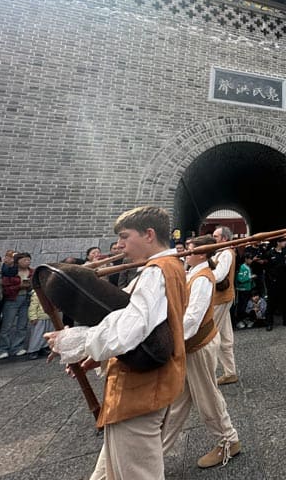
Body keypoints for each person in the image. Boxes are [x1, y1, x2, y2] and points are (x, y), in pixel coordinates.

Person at [45, 206, 188, 480]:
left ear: (148, 234)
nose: (119, 245)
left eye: (124, 236)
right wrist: (95, 354)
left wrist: (74, 340)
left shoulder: (157, 271)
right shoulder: (168, 267)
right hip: (147, 383)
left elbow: (131, 328)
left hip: (141, 390)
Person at [162, 234, 241, 469]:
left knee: (207, 396)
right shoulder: (192, 273)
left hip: (198, 345)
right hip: (190, 345)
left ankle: (229, 440)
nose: (186, 252)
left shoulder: (203, 278)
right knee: (178, 402)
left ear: (203, 254)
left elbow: (192, 319)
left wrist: (167, 342)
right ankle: (157, 451)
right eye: (186, 248)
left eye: (191, 249)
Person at [211, 226, 239, 385]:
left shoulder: (226, 253)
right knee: (225, 337)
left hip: (221, 298)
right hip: (220, 298)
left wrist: (201, 273)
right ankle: (230, 372)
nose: (213, 238)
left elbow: (220, 275)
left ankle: (208, 372)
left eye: (215, 236)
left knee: (211, 334)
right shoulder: (221, 253)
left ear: (224, 239)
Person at [0, 251, 34, 359]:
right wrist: (19, 286)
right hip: (13, 299)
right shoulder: (11, 271)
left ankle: (17, 347)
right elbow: (5, 286)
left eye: (28, 260)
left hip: (27, 298)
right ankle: (2, 349)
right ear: (17, 261)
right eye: (24, 260)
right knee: (7, 325)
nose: (27, 262)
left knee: (22, 325)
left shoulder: (32, 272)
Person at [265, 235, 286, 329]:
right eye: (283, 241)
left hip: (285, 282)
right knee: (271, 303)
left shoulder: (285, 253)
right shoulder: (270, 253)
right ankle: (269, 322)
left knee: (285, 301)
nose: (285, 243)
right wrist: (271, 281)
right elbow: (267, 269)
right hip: (274, 282)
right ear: (278, 242)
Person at [234, 252, 254, 329]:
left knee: (246, 305)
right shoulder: (242, 267)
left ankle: (244, 319)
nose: (251, 261)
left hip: (248, 288)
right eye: (250, 259)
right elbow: (240, 279)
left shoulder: (248, 267)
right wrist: (250, 278)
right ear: (246, 259)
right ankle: (239, 320)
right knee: (241, 305)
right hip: (242, 289)